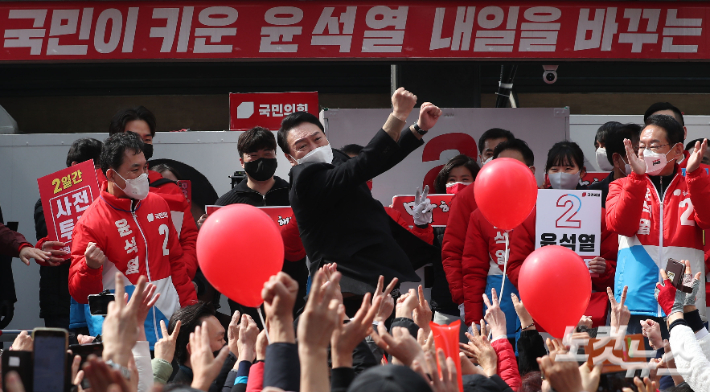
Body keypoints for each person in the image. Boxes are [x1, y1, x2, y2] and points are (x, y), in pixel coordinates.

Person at [278, 88, 441, 302]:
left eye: (317, 139)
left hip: (378, 272)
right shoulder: (304, 180)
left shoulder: (336, 158)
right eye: (302, 146)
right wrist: (397, 116)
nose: (314, 147)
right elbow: (365, 163)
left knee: (390, 332)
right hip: (343, 283)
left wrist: (418, 129)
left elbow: (379, 159)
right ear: (290, 158)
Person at [68, 132, 197, 346]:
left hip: (169, 328)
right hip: (123, 337)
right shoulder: (90, 222)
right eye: (135, 170)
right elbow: (80, 294)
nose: (143, 175)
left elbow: (175, 263)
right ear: (111, 175)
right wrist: (89, 267)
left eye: (145, 167)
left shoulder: (159, 204)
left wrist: (190, 311)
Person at [607, 114, 710, 335]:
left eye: (654, 146)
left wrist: (694, 175)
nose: (645, 152)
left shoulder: (695, 182)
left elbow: (707, 219)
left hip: (683, 299)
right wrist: (636, 178)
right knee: (636, 369)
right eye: (641, 146)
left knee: (686, 367)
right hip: (634, 302)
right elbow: (621, 225)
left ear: (677, 150)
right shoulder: (621, 185)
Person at [214, 126, 307, 324]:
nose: (261, 160)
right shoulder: (226, 204)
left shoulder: (295, 195)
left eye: (267, 154)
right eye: (253, 156)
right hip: (246, 297)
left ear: (276, 156)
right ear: (242, 161)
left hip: (292, 289)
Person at [109, 106, 199, 280]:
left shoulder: (169, 189)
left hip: (163, 293)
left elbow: (188, 239)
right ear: (115, 140)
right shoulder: (95, 186)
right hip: (114, 294)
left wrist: (182, 274)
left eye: (147, 139)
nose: (141, 144)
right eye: (133, 138)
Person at [461, 139, 535, 340]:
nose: (507, 173)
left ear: (531, 171)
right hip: (498, 303)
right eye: (501, 167)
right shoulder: (480, 215)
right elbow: (473, 271)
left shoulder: (548, 209)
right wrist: (474, 320)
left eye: (515, 167)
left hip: (540, 301)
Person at [442, 129, 516, 316]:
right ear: (481, 158)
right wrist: (463, 299)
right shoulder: (467, 198)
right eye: (489, 153)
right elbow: (453, 252)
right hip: (482, 295)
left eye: (500, 152)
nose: (494, 158)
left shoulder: (531, 193)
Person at [33, 138, 103, 330]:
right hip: (61, 302)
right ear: (76, 167)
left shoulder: (106, 201)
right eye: (97, 166)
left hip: (97, 297)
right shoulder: (48, 204)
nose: (101, 172)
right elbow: (53, 241)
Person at [589, 123, 642, 207]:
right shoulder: (594, 193)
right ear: (616, 159)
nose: (643, 158)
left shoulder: (653, 190)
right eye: (636, 153)